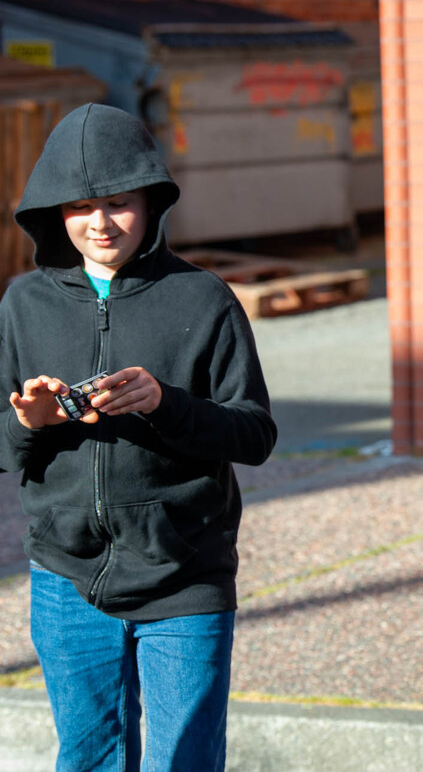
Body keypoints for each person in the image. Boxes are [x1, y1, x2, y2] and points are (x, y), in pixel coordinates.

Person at [1, 103, 277, 770]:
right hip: (66, 577)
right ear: (53, 211)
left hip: (186, 574)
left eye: (120, 203)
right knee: (90, 756)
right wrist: (30, 424)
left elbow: (255, 434)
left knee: (182, 758)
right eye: (80, 206)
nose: (100, 223)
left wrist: (165, 403)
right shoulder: (21, 304)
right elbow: (7, 449)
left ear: (153, 204)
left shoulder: (203, 299)